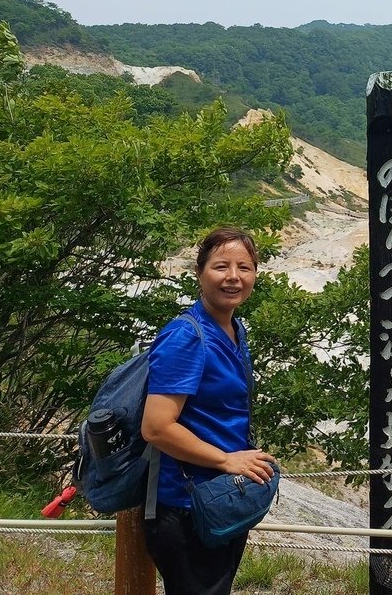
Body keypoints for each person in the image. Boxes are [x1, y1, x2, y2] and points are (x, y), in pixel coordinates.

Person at [141, 227, 277, 595]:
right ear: (200, 273)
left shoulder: (233, 328)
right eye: (221, 266)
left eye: (244, 268)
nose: (234, 277)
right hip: (186, 507)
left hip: (220, 500)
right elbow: (156, 427)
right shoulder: (187, 336)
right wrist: (227, 461)